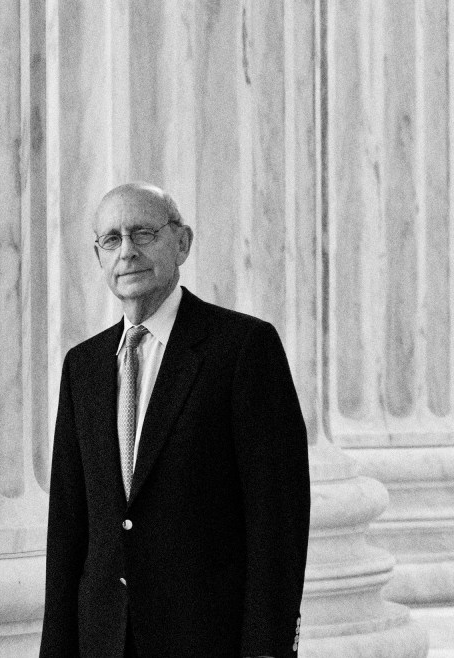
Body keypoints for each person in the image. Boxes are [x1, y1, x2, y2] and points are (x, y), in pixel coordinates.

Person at [39, 182, 310, 657]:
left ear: (182, 243)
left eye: (143, 233)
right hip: (103, 642)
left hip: (208, 639)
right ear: (98, 256)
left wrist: (266, 647)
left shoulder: (243, 349)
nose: (127, 252)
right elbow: (68, 526)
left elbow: (278, 517)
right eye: (112, 239)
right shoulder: (82, 367)